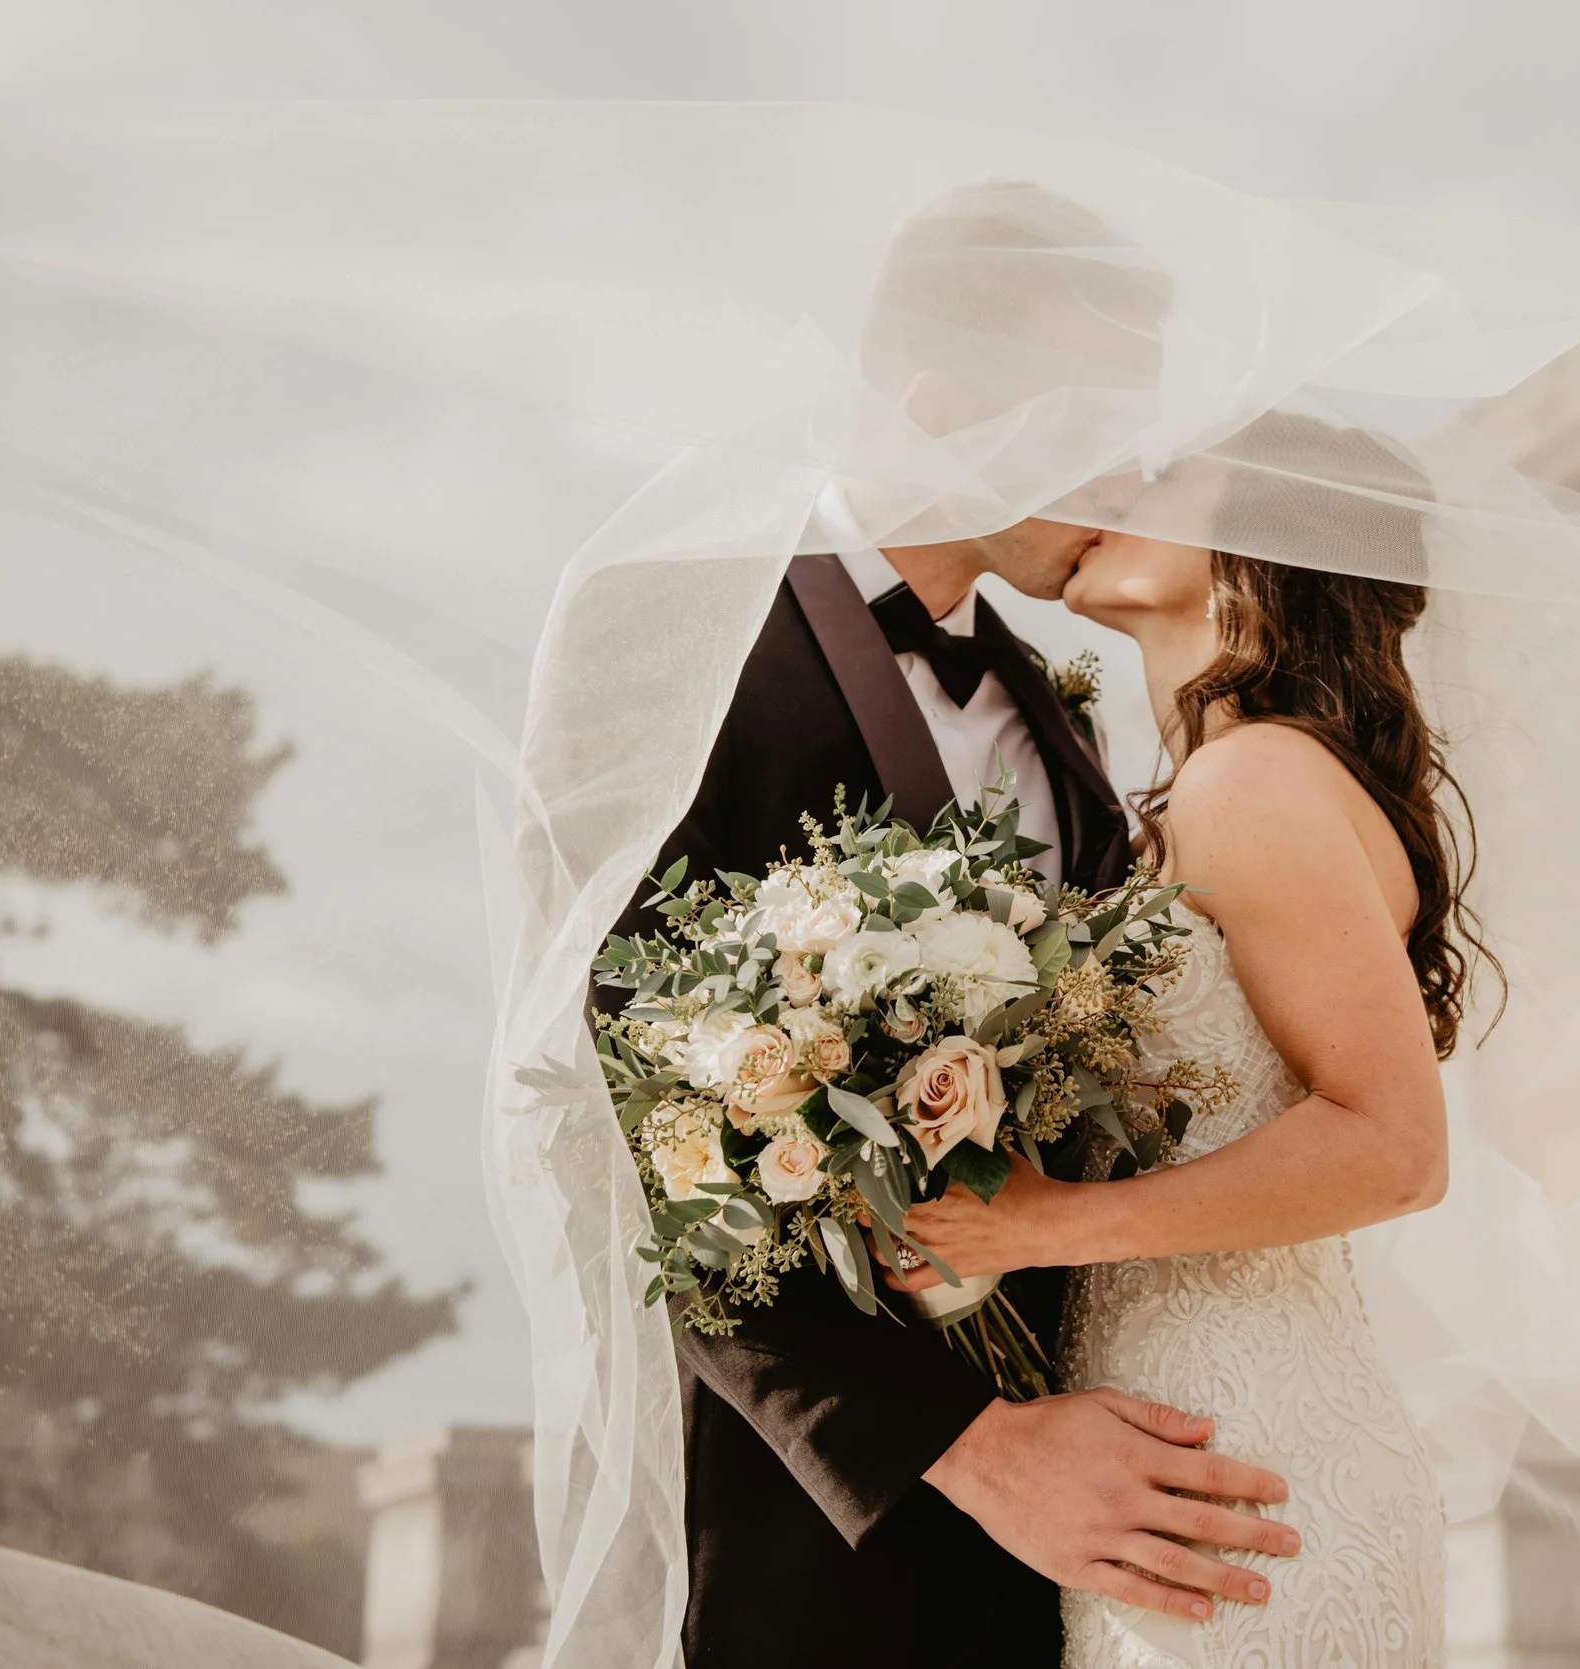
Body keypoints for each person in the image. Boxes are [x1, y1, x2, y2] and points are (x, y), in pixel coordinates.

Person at [615, 183, 1300, 1669]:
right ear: (938, 406)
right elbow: (624, 1121)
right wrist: (972, 1449)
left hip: (1111, 1519)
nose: (1129, 476)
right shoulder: (668, 636)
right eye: (1097, 427)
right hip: (829, 1536)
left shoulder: (1061, 727)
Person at [889, 428, 1484, 1666]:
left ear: (1264, 547)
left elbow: (1394, 1147)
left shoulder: (1253, 785)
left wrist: (1041, 1225)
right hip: (1180, 1447)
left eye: (1157, 476)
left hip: (1247, 1464)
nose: (1102, 483)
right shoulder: (1206, 788)